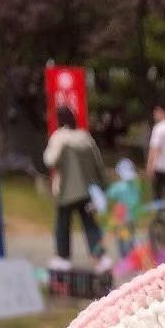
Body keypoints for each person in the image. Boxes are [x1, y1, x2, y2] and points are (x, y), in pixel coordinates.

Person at [43, 105, 110, 270]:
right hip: (87, 190)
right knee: (90, 224)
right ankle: (100, 258)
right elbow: (98, 163)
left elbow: (49, 160)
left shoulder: (59, 137)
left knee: (63, 224)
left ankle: (63, 258)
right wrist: (103, 185)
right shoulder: (85, 137)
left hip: (67, 190)